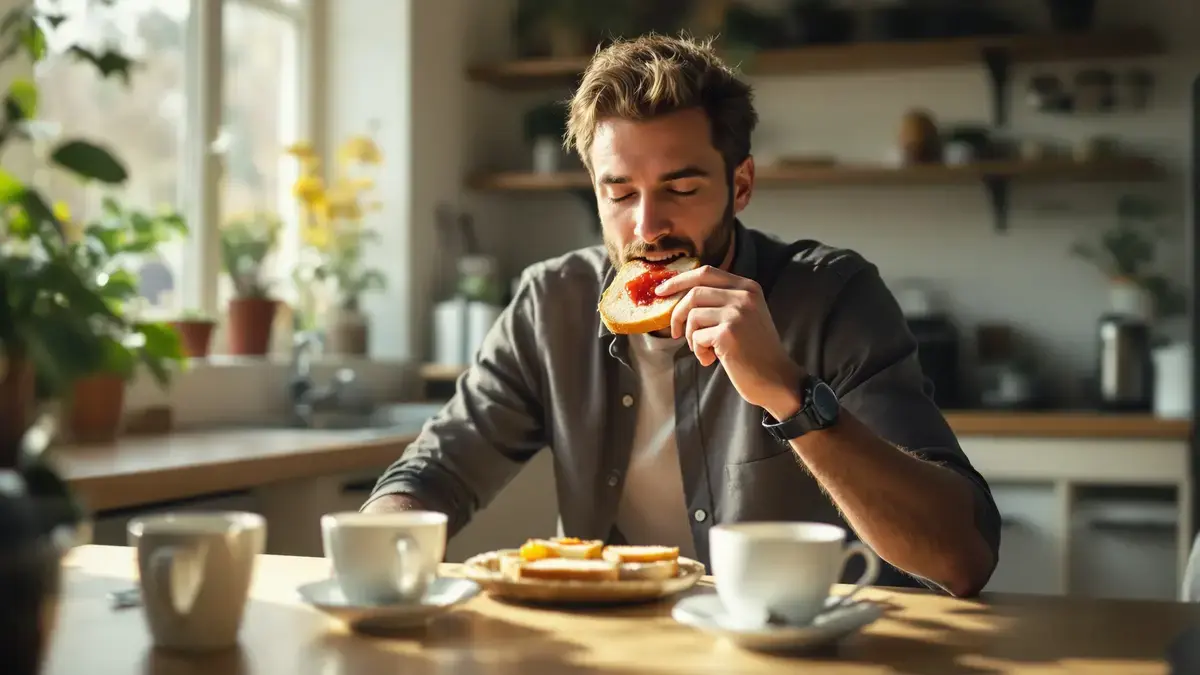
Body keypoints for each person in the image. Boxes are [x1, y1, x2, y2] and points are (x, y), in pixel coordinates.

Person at [363, 34, 999, 597]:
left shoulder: (833, 295)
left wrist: (790, 394)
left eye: (682, 188)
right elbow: (436, 473)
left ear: (740, 184)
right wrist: (372, 554)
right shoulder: (550, 302)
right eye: (620, 192)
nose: (647, 227)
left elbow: (960, 560)